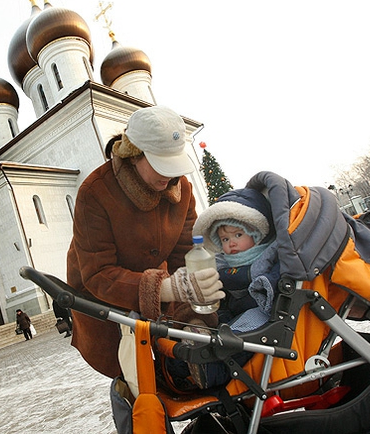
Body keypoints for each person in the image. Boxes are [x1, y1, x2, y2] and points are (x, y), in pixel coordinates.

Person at [66, 105, 224, 379]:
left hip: (161, 291)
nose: (169, 176)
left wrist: (190, 313)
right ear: (133, 155)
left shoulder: (182, 189)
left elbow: (184, 253)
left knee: (176, 374)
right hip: (102, 301)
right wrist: (162, 288)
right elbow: (97, 273)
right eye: (160, 165)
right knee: (134, 380)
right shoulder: (95, 192)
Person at [187, 187, 280, 388]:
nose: (232, 244)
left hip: (263, 313)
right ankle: (194, 350)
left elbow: (275, 285)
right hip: (235, 309)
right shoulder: (223, 262)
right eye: (225, 239)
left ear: (256, 233)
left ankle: (212, 372)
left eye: (238, 235)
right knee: (217, 321)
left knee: (237, 337)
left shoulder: (270, 256)